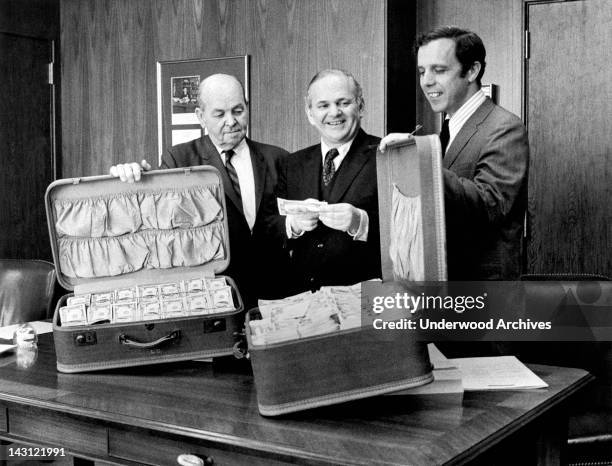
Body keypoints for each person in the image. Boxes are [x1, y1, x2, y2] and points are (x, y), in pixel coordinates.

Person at [110, 73, 289, 307]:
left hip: (274, 291)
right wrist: (132, 178)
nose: (231, 121)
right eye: (219, 114)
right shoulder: (179, 159)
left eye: (238, 110)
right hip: (211, 295)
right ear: (200, 116)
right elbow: (155, 220)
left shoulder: (279, 158)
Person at [380, 26, 529, 281]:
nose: (426, 81)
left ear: (472, 71)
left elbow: (491, 205)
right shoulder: (443, 130)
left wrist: (422, 160)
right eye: (422, 72)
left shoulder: (505, 128)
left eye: (439, 70)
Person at [260, 69, 381, 294]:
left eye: (343, 102)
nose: (334, 113)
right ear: (310, 113)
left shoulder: (386, 156)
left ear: (361, 106)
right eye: (323, 105)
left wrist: (360, 222)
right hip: (303, 302)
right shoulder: (292, 163)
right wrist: (292, 225)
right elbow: (267, 227)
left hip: (364, 304)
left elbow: (409, 231)